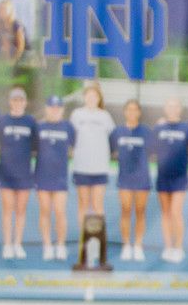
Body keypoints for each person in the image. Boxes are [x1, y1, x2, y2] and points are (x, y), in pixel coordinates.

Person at [0, 86, 37, 260]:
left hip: (24, 173)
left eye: (21, 100)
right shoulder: (2, 120)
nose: (18, 103)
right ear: (10, 102)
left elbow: (35, 146)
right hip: (5, 173)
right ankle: (7, 244)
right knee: (7, 209)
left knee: (21, 209)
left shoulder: (30, 122)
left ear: (25, 102)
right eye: (15, 100)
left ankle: (17, 243)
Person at [70, 83, 115, 236]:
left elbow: (112, 139)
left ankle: (97, 240)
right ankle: (85, 240)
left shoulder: (105, 116)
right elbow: (71, 137)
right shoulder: (76, 115)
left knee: (97, 205)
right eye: (88, 95)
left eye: (94, 95)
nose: (91, 98)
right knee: (83, 205)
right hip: (81, 167)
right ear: (84, 97)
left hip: (100, 168)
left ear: (99, 98)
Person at [109, 100, 152, 262]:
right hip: (124, 179)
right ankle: (126, 245)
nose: (132, 112)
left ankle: (138, 246)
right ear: (125, 112)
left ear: (139, 112)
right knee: (126, 211)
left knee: (140, 212)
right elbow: (109, 148)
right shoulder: (117, 132)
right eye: (129, 109)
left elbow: (154, 150)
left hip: (142, 179)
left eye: (135, 109)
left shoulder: (147, 132)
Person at [34, 96, 75, 261]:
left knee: (59, 212)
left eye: (58, 107)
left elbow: (75, 145)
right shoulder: (39, 126)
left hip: (60, 176)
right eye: (52, 107)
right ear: (46, 108)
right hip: (42, 175)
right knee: (44, 211)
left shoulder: (68, 127)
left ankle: (60, 245)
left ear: (62, 109)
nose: (54, 110)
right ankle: (47, 245)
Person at [153, 97, 188, 263]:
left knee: (176, 212)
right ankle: (168, 246)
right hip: (163, 175)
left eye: (175, 105)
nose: (172, 108)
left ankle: (178, 247)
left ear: (180, 109)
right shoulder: (159, 128)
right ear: (165, 108)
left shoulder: (187, 128)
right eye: (169, 105)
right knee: (166, 212)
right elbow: (152, 148)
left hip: (180, 177)